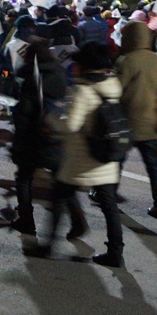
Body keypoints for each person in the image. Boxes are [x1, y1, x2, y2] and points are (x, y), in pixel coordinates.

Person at [32, 42, 127, 268]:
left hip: (81, 159)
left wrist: (50, 120)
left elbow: (70, 125)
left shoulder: (82, 90)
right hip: (106, 159)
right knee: (109, 206)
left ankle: (48, 245)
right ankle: (116, 253)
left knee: (58, 198)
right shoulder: (113, 85)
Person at [9, 37, 74, 235]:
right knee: (60, 180)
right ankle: (77, 220)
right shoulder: (59, 74)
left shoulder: (30, 78)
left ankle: (26, 218)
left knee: (24, 178)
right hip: (55, 132)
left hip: (32, 137)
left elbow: (25, 111)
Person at [116, 22, 157, 219]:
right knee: (154, 165)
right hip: (151, 120)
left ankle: (106, 193)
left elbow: (116, 90)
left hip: (127, 120)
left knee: (116, 160)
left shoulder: (126, 60)